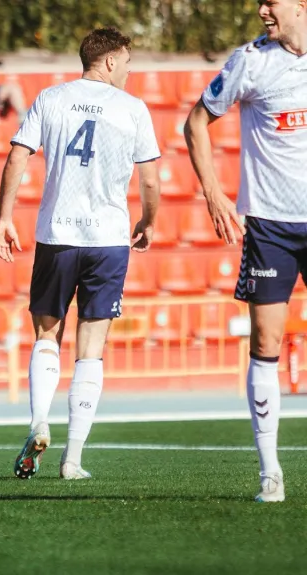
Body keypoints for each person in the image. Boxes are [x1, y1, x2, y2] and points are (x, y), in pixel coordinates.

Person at [0, 27, 161, 481]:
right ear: (108, 61)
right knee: (92, 347)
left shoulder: (52, 98)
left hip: (57, 235)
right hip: (107, 240)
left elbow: (17, 158)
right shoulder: (134, 109)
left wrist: (3, 218)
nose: (129, 68)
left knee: (48, 333)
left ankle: (38, 421)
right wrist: (148, 220)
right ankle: (73, 459)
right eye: (126, 60)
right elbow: (149, 180)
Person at [183, 0, 307, 504]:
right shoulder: (251, 61)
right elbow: (195, 123)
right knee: (265, 342)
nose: (261, 11)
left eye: (271, 2)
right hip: (271, 225)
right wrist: (214, 194)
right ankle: (270, 471)